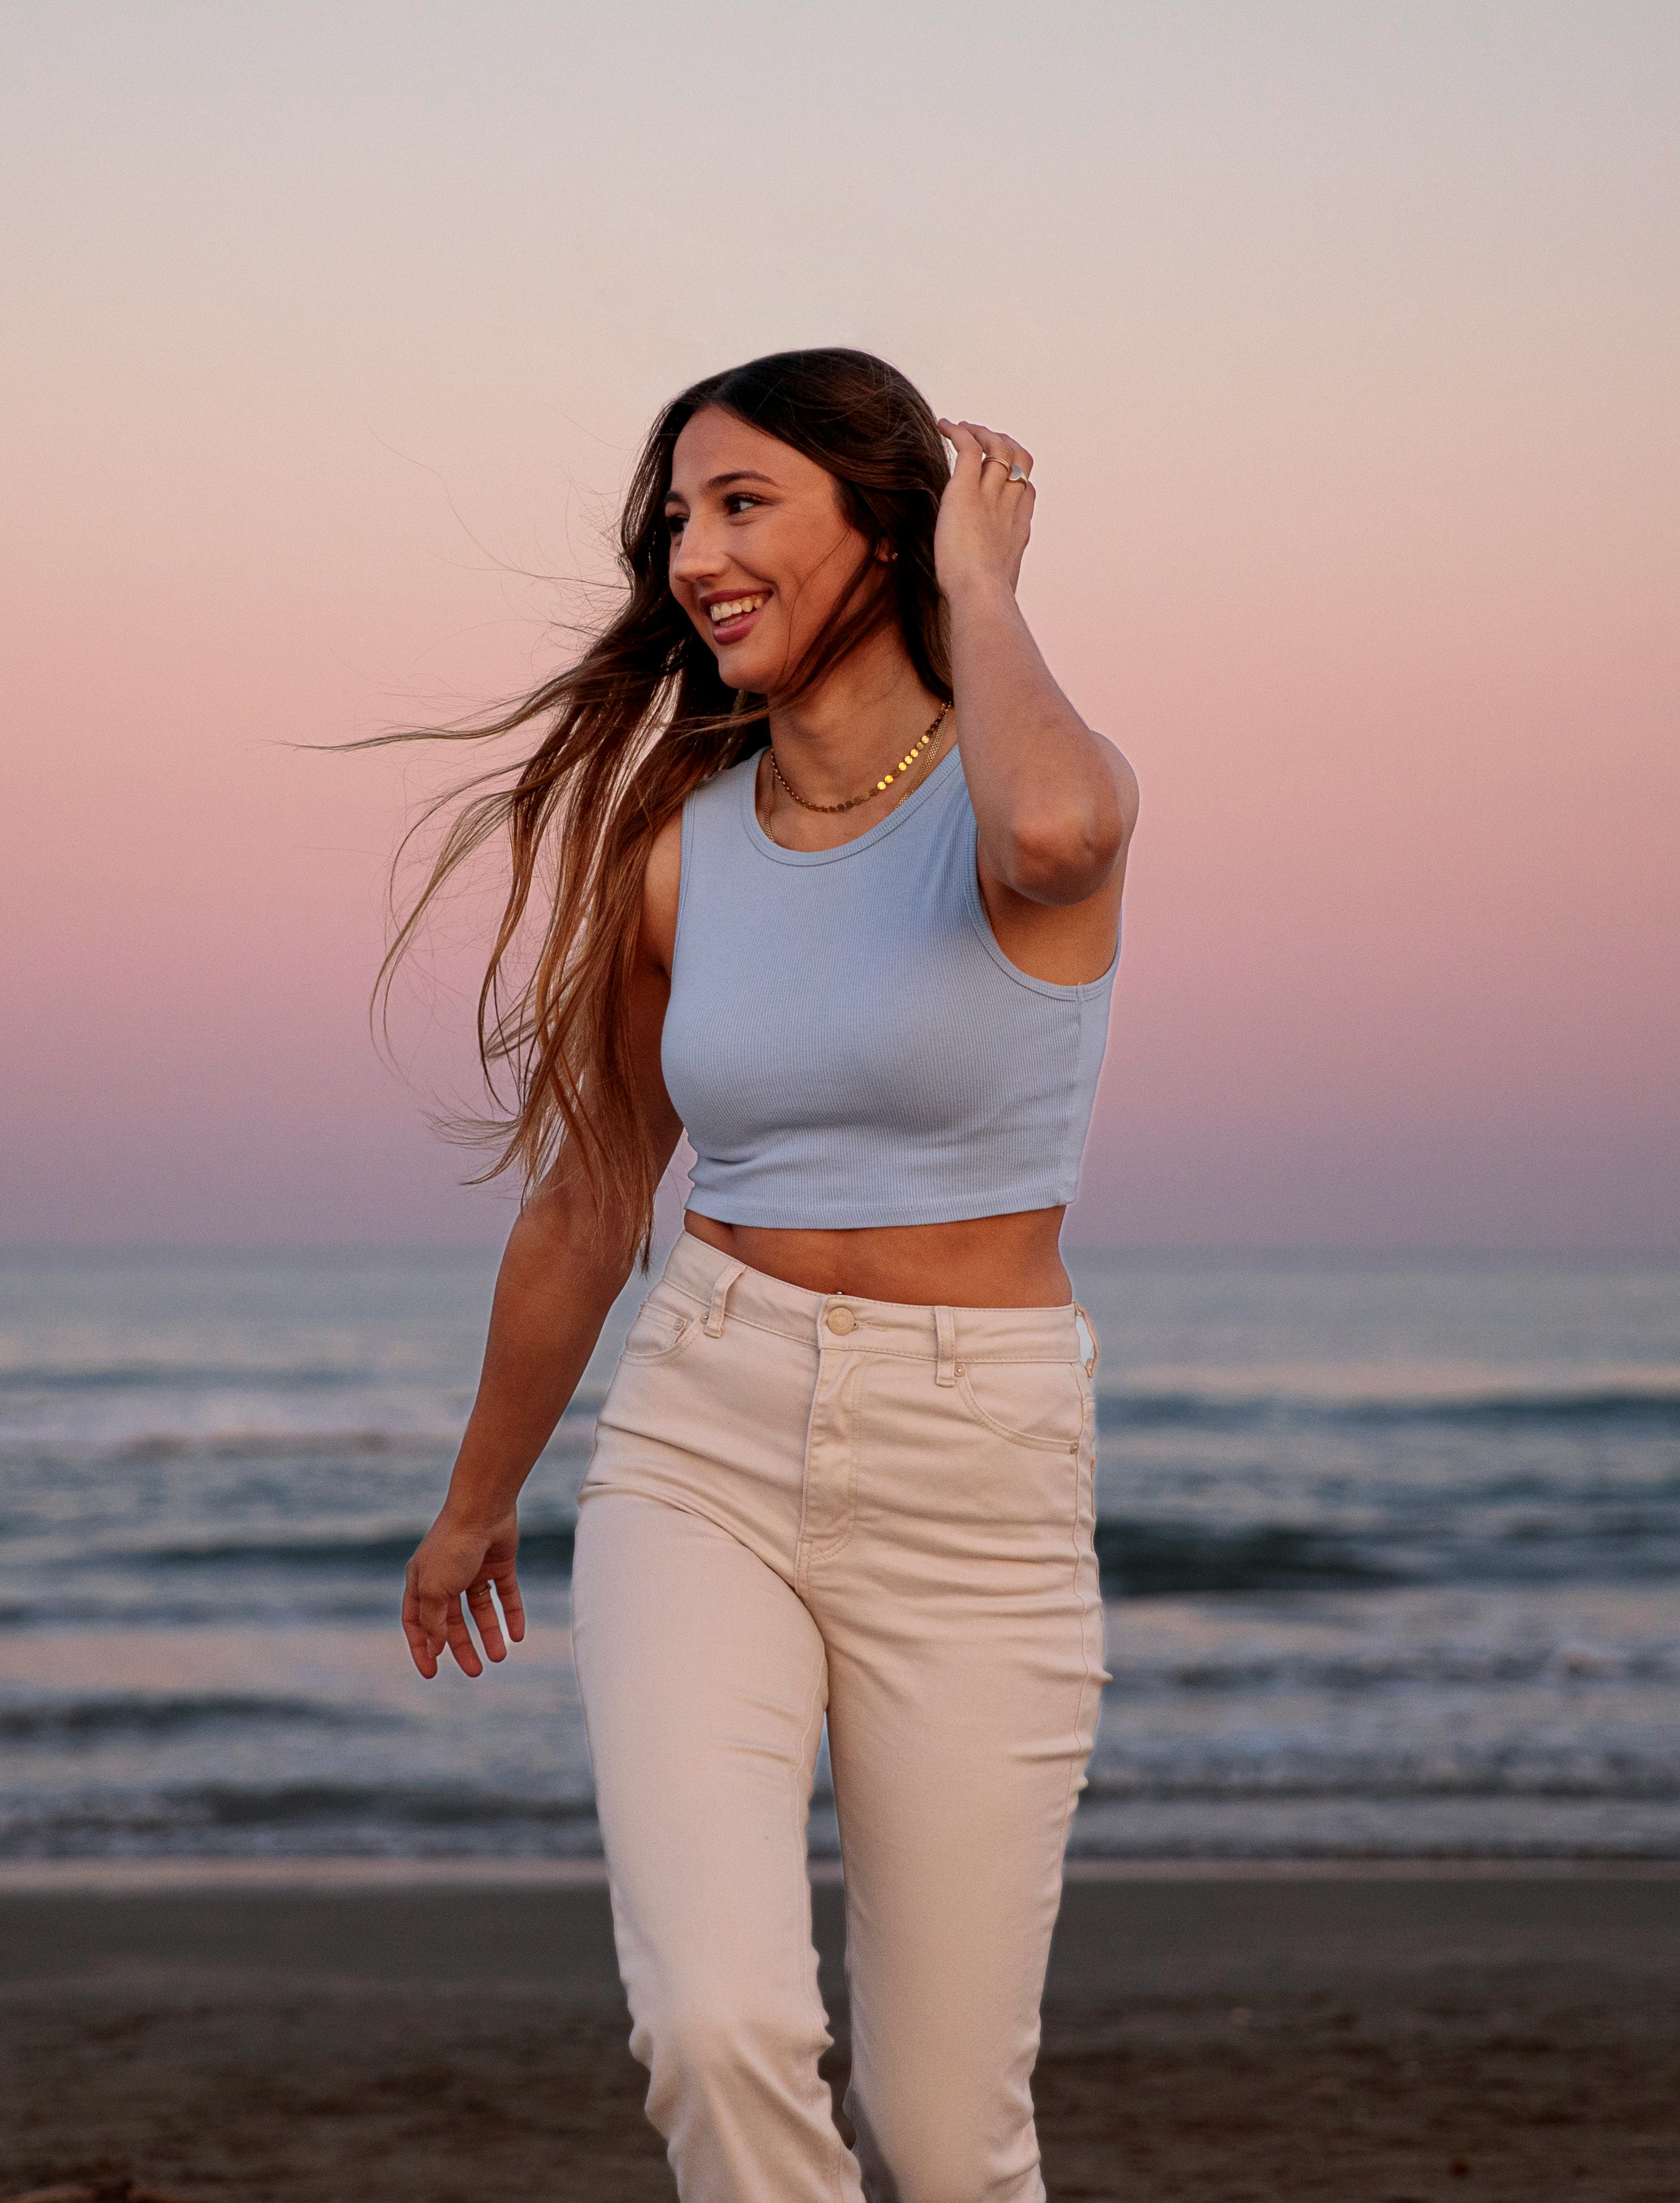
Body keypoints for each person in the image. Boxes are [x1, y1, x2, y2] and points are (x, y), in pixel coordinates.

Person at [379, 346, 1136, 2203]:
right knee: (719, 2031)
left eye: (739, 506)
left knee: (949, 2141)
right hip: (702, 1428)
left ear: (879, 527)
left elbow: (1058, 833)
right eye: (672, 517)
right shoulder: (673, 847)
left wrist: (981, 582)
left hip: (978, 1471)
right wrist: (476, 1506)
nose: (687, 551)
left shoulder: (1025, 790)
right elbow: (589, 1200)